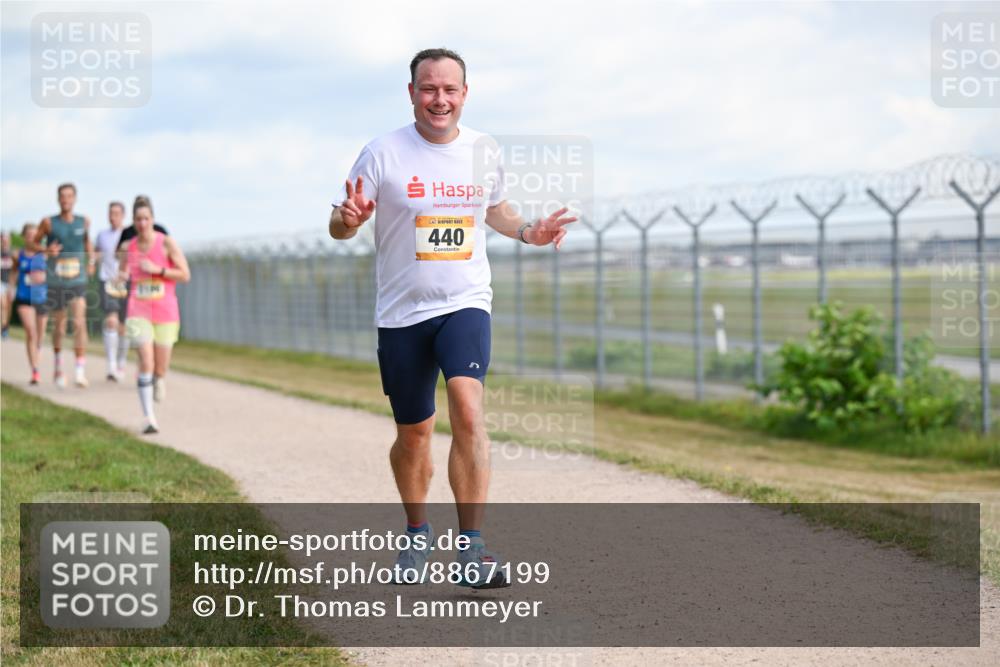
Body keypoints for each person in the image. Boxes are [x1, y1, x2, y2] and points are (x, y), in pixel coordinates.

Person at [329, 48, 576, 589]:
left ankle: (473, 548)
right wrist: (347, 221)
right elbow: (340, 223)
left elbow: (494, 208)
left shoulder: (482, 150)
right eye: (428, 88)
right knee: (414, 433)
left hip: (465, 300)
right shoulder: (382, 154)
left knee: (468, 410)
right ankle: (417, 531)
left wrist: (527, 230)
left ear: (465, 93)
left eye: (449, 89)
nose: (439, 99)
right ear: (412, 91)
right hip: (400, 314)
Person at [121, 197, 190, 434]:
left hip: (165, 311)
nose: (142, 223)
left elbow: (184, 274)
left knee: (160, 367)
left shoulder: (166, 243)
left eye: (146, 218)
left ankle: (160, 378)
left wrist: (159, 270)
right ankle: (149, 417)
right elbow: (122, 273)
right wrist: (120, 279)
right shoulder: (128, 247)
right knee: (145, 362)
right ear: (133, 221)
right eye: (138, 219)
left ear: (153, 219)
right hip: (137, 310)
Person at [33, 183, 93, 388]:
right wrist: (45, 250)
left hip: (77, 280)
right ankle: (58, 367)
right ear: (58, 199)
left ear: (75, 199)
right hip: (57, 281)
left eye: (69, 196)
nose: (66, 200)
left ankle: (79, 371)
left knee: (79, 321)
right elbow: (32, 244)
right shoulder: (49, 223)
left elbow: (87, 244)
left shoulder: (83, 222)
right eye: (62, 196)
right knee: (59, 326)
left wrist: (91, 261)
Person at [95, 201, 130, 381]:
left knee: (124, 327)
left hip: (126, 282)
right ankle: (111, 366)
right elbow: (96, 253)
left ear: (123, 215)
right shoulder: (101, 235)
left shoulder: (130, 234)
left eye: (116, 213)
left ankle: (122, 362)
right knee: (111, 321)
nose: (113, 216)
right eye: (110, 213)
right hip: (107, 281)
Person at [10, 223, 49, 384]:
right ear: (24, 236)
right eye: (29, 234)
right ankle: (35, 370)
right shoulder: (18, 255)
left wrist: (44, 277)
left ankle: (36, 361)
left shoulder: (45, 255)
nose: (32, 237)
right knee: (30, 332)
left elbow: (53, 274)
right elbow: (13, 272)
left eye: (35, 235)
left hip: (42, 298)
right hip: (24, 297)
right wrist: (10, 290)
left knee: (40, 337)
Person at [1, 232, 13, 339]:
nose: (4, 241)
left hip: (11, 283)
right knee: (3, 305)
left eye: (6, 239)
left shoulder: (13, 253)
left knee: (9, 307)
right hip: (1, 282)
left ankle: (5, 329)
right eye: (3, 239)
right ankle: (4, 328)